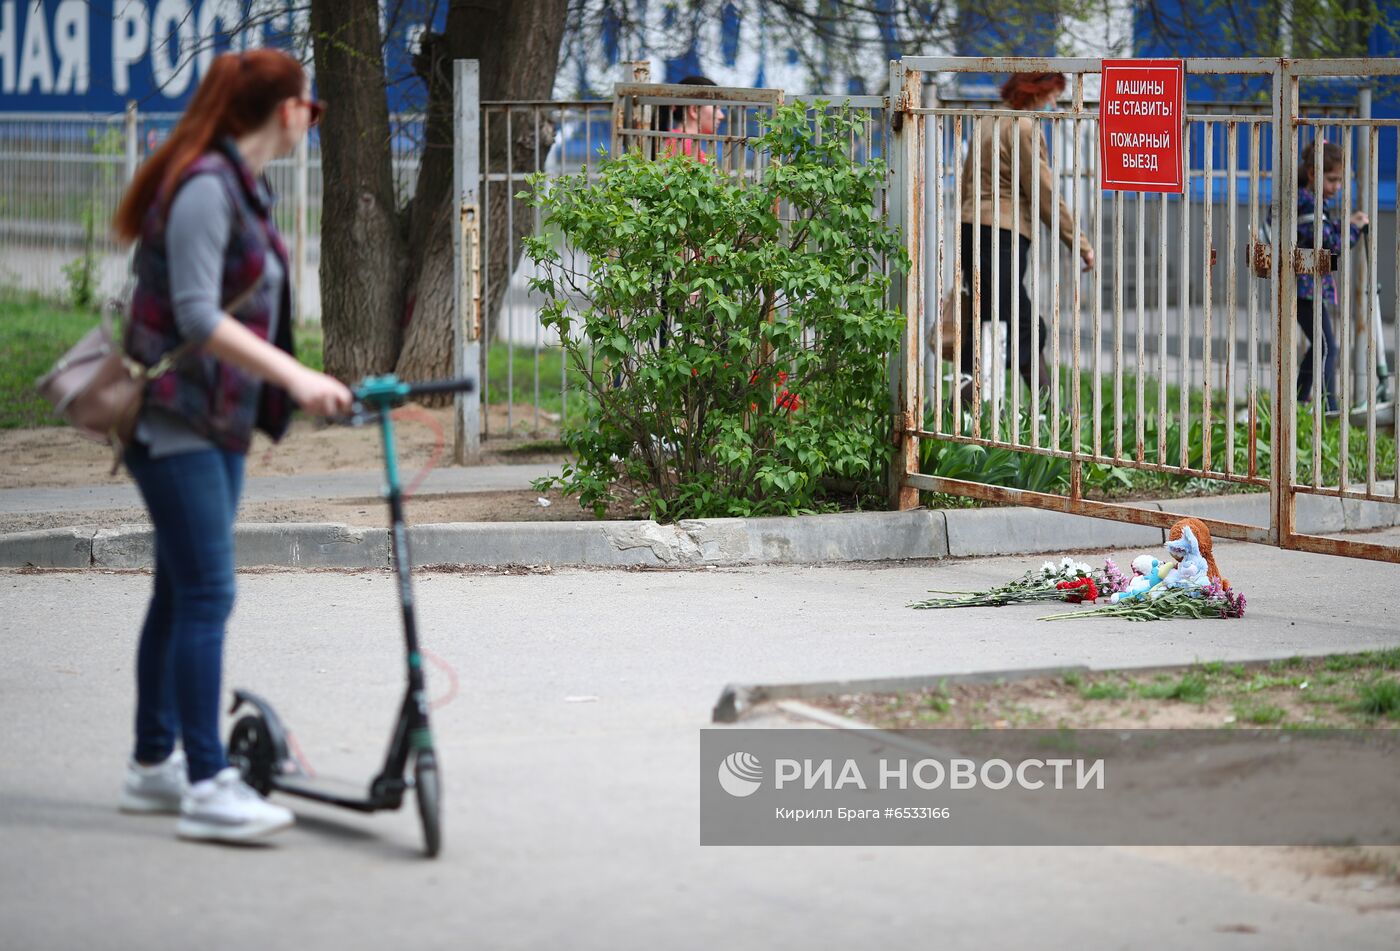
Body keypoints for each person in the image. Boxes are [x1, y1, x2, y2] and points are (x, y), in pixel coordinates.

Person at [111, 49, 352, 843]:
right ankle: (210, 782)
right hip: (172, 420)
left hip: (213, 422)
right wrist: (299, 377)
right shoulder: (207, 188)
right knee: (209, 593)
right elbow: (197, 316)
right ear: (284, 111)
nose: (311, 117)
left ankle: (154, 766)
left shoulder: (242, 186)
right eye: (309, 106)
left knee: (180, 592)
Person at [957, 72, 1094, 406]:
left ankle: (966, 409)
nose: (1052, 103)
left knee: (990, 317)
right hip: (1004, 232)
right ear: (1035, 91)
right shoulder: (1023, 127)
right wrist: (1079, 243)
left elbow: (967, 179)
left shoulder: (986, 121)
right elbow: (1043, 191)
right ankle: (1044, 412)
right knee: (1019, 322)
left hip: (971, 226)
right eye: (1050, 95)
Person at [1295, 139, 1368, 413]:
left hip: (1309, 287)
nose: (1337, 187)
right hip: (1304, 289)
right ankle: (1329, 407)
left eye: (1340, 180)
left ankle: (1300, 401)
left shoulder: (1311, 201)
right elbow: (1326, 242)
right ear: (1314, 173)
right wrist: (1354, 230)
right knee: (1328, 348)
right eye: (1332, 179)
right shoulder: (1307, 202)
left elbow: (1323, 228)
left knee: (1320, 346)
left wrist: (1346, 223)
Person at [657, 74, 726, 163]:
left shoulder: (670, 140)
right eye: (716, 108)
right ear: (694, 110)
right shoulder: (687, 148)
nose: (722, 116)